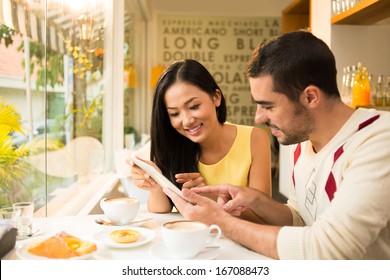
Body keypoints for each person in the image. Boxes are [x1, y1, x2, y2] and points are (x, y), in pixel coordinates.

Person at [163, 31, 390, 260]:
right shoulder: (302, 140)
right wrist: (255, 199)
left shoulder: (378, 140)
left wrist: (221, 221)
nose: (258, 118)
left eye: (268, 106)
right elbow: (302, 218)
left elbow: (327, 249)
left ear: (310, 97)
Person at [130, 59, 272, 223]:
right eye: (175, 114)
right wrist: (155, 186)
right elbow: (161, 212)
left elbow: (264, 218)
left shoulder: (255, 139)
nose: (187, 120)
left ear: (216, 97)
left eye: (194, 106)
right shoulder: (174, 147)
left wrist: (213, 199)